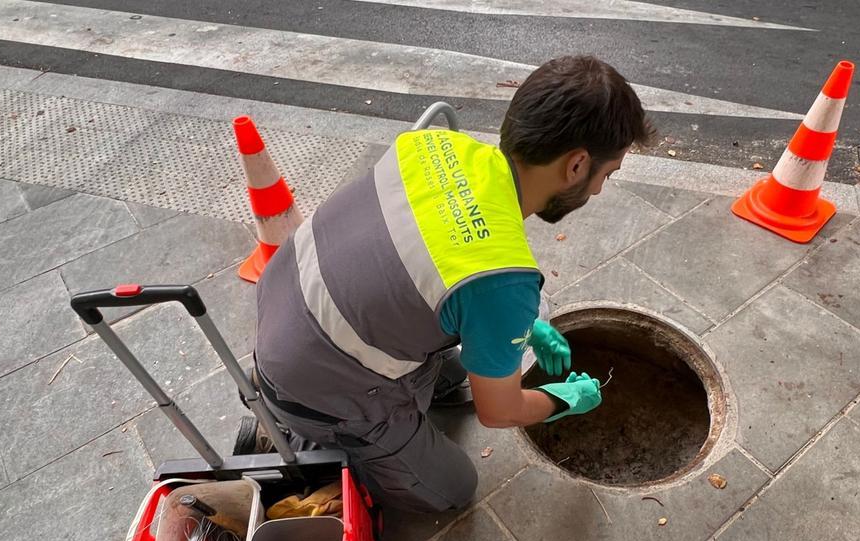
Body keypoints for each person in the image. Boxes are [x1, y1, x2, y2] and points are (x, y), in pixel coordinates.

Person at [250, 55, 655, 512]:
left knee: (488, 338)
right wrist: (562, 399)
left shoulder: (441, 145)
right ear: (577, 165)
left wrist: (525, 327)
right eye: (607, 174)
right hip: (311, 384)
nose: (599, 189)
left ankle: (397, 396)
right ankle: (316, 438)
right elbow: (499, 411)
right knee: (454, 488)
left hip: (284, 304)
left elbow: (423, 263)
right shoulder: (503, 281)